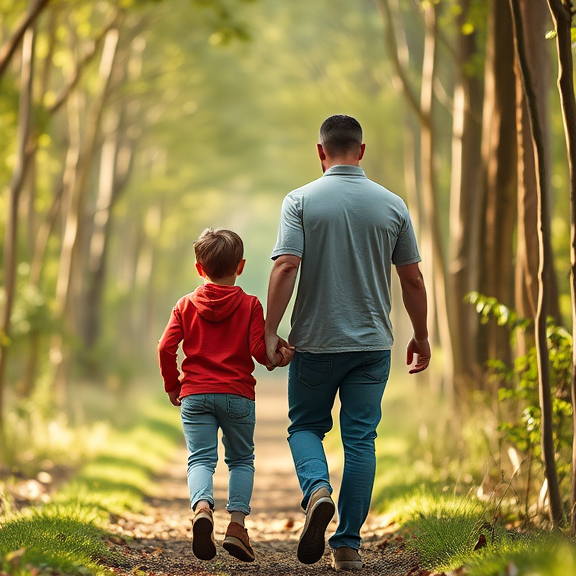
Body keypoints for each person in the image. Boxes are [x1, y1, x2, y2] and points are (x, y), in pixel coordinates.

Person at [264, 115, 431, 571]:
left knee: (304, 427)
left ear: (321, 152)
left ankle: (318, 490)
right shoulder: (392, 205)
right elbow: (412, 279)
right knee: (361, 441)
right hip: (372, 345)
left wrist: (269, 329)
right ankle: (347, 545)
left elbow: (284, 268)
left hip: (315, 344)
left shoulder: (300, 201)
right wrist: (422, 334)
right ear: (361, 151)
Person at [158, 228, 294, 563]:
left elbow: (165, 347)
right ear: (242, 265)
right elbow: (260, 352)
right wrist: (279, 357)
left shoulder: (185, 305)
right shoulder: (250, 305)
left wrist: (173, 385)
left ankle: (202, 508)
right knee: (240, 461)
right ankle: (236, 525)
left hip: (195, 395)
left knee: (201, 460)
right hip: (237, 396)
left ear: (198, 268)